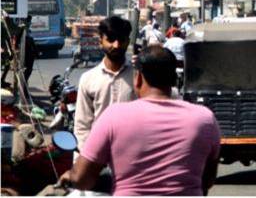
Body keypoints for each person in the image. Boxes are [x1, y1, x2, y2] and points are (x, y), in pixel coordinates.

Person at [59, 46, 221, 196]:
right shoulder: (204, 119)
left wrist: (70, 175)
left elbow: (82, 179)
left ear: (138, 78)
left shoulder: (114, 116)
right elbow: (207, 180)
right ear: (174, 80)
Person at [74, 16, 135, 150]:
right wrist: (87, 159)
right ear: (100, 41)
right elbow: (82, 126)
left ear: (128, 42)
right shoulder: (88, 79)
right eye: (111, 40)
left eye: (121, 40)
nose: (116, 45)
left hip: (131, 154)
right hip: (97, 155)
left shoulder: (139, 77)